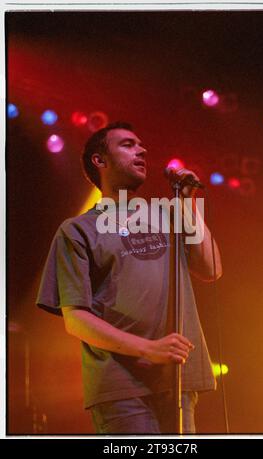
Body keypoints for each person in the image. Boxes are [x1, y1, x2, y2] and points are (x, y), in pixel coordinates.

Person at [36, 121, 222, 434]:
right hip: (122, 386)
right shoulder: (78, 230)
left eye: (141, 144)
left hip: (179, 379)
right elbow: (76, 319)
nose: (142, 149)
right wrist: (148, 348)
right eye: (128, 144)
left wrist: (188, 202)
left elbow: (211, 268)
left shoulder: (167, 215)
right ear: (100, 160)